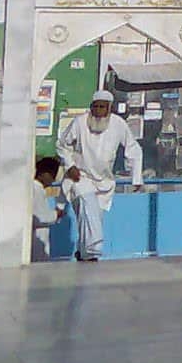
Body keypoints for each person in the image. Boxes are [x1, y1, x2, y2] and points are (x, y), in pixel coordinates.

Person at [57, 90, 143, 262]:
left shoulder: (118, 124)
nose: (98, 110)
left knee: (90, 218)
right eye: (95, 106)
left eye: (102, 107)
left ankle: (84, 253)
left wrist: (136, 178)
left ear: (109, 108)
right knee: (88, 207)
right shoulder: (80, 122)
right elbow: (61, 145)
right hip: (81, 177)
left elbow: (133, 149)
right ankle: (93, 250)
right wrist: (70, 165)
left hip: (105, 182)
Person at [32, 155, 65, 262]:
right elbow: (39, 217)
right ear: (44, 174)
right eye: (52, 176)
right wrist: (56, 214)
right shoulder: (35, 190)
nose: (52, 180)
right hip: (36, 241)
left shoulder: (39, 190)